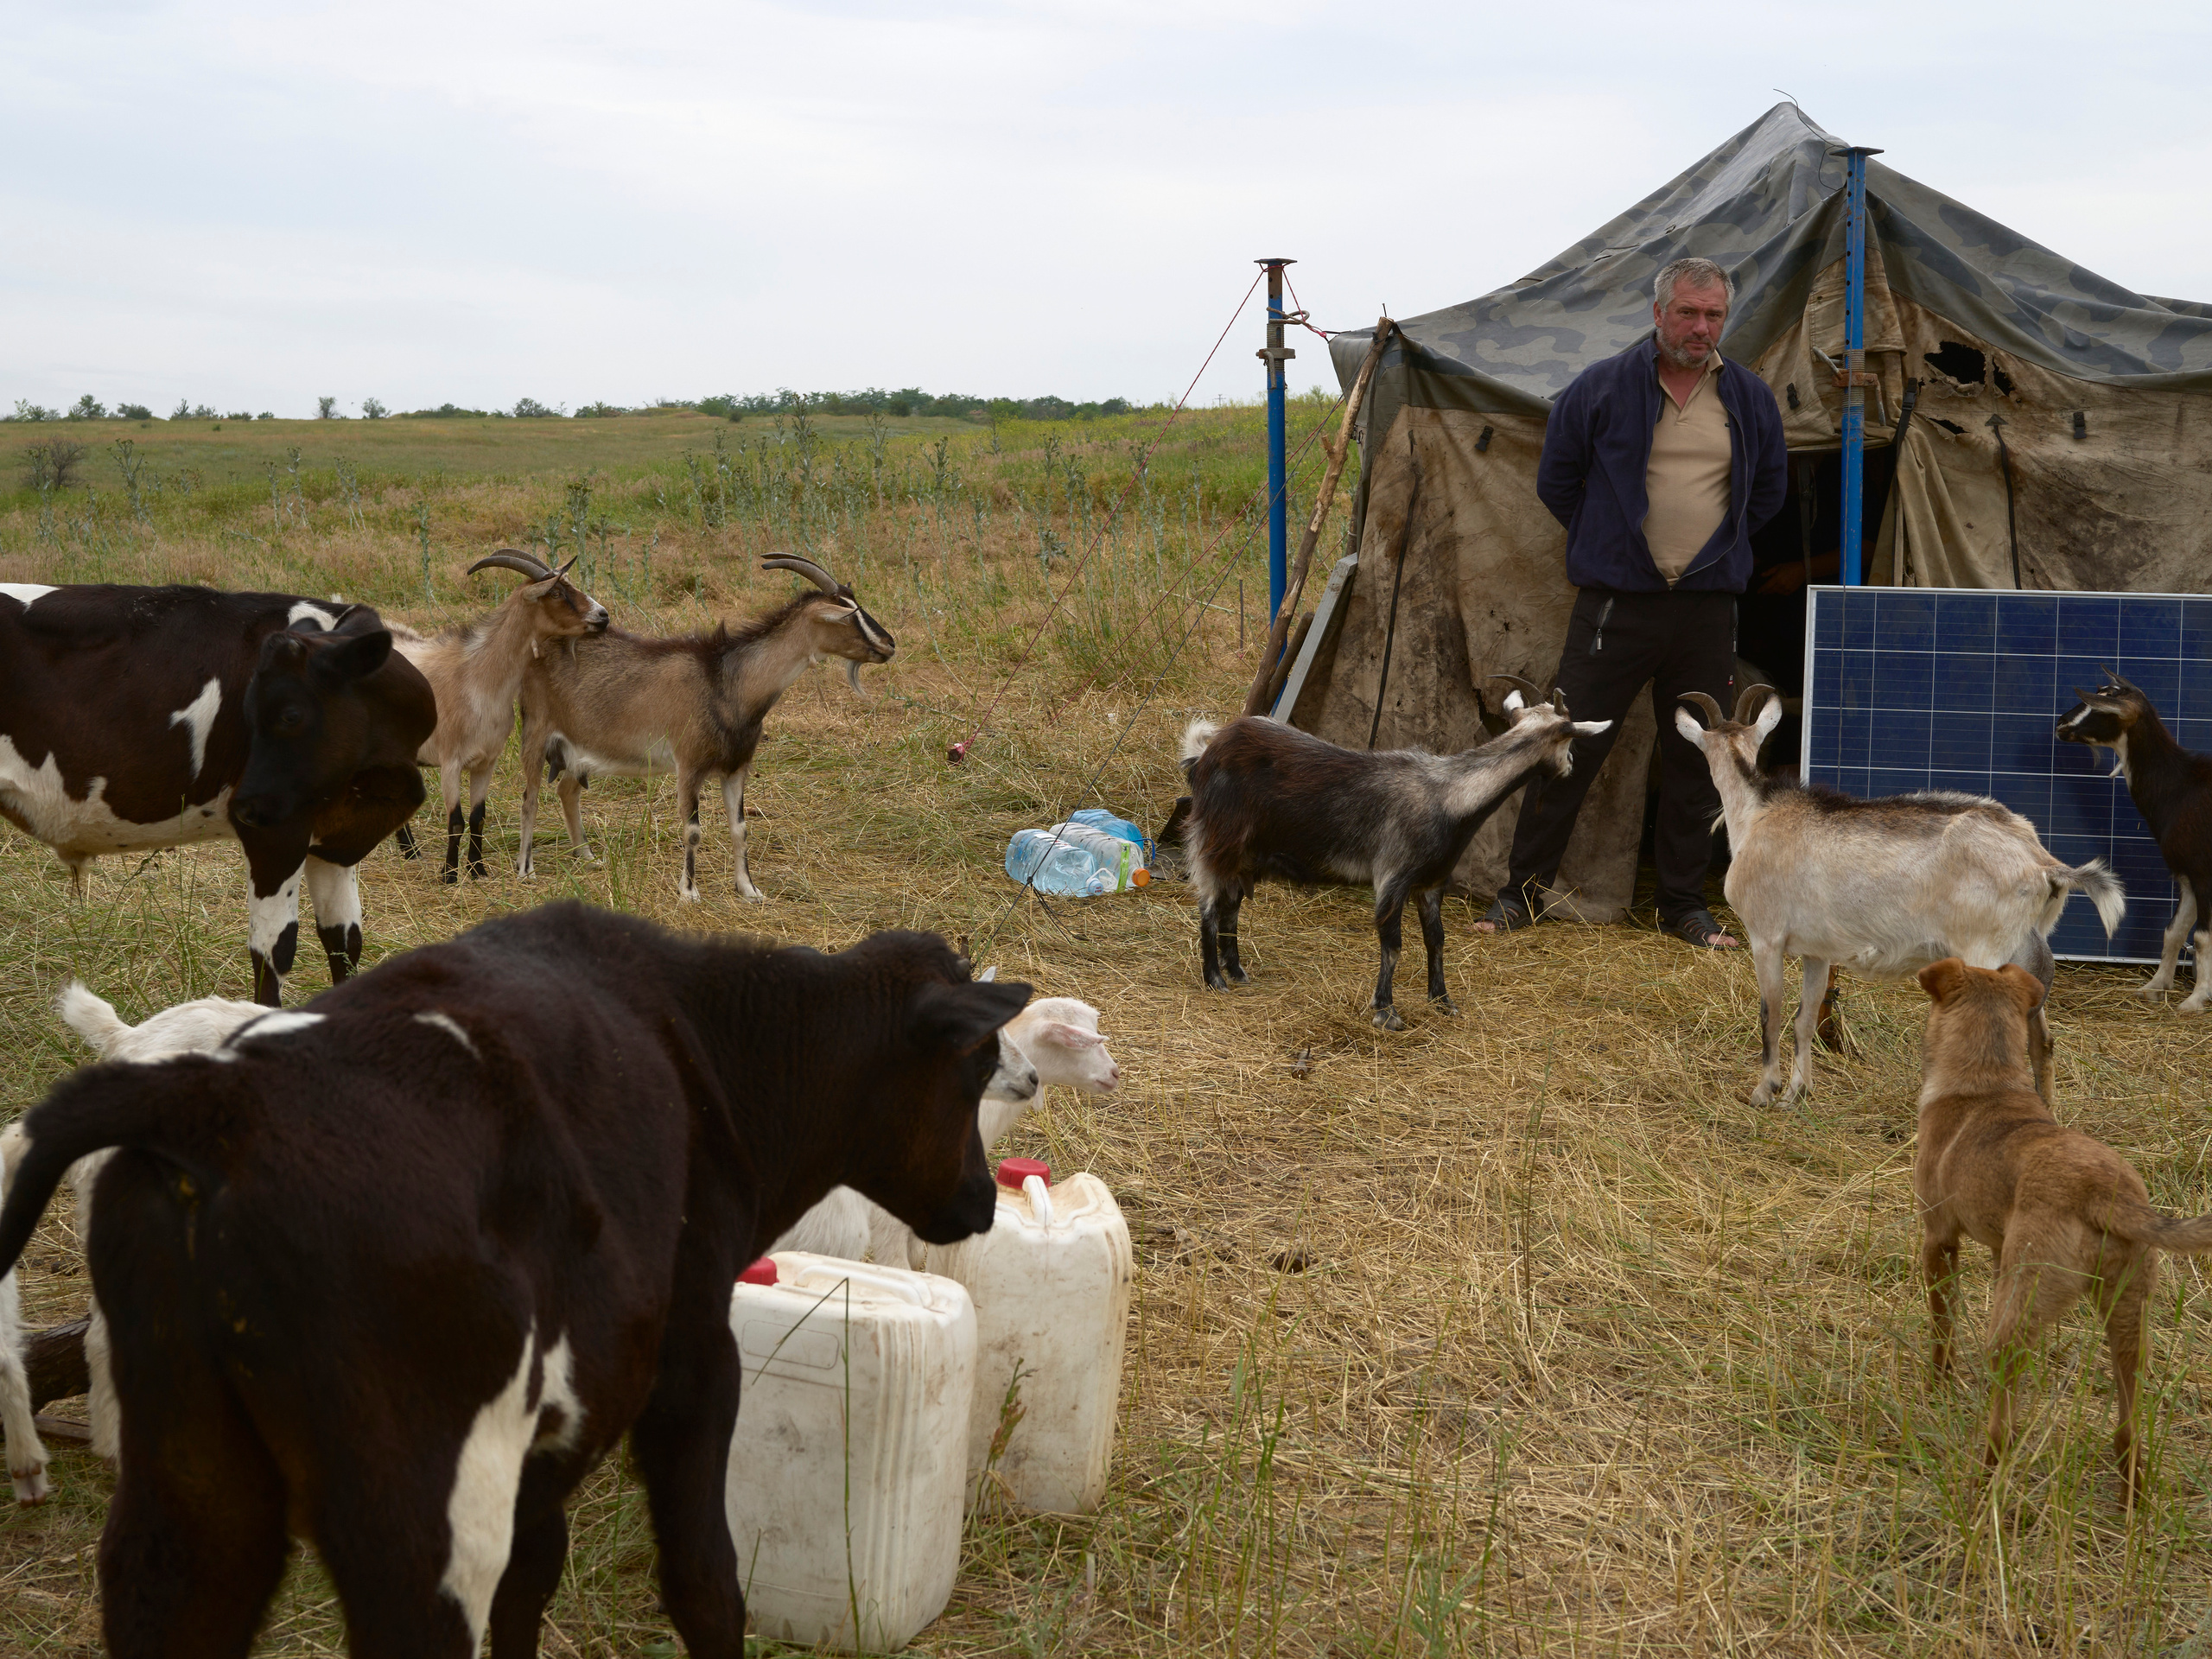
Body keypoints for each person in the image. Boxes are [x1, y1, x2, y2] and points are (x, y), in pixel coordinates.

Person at [1475, 255, 1788, 949]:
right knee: (1565, 747)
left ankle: (1684, 905)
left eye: (1713, 315)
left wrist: (1710, 555)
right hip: (1616, 606)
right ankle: (1519, 895)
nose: (1700, 327)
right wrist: (1610, 544)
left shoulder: (1749, 398)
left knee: (1699, 761)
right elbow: (1558, 481)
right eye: (1687, 312)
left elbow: (1765, 494)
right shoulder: (1602, 388)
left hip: (1705, 609)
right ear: (1657, 314)